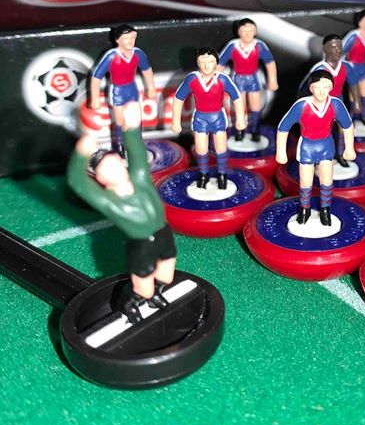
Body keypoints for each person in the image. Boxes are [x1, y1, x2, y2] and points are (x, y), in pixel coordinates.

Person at [67, 102, 174, 324]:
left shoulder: (140, 177)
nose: (117, 168)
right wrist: (81, 153)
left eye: (116, 162)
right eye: (109, 168)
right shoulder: (109, 201)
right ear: (101, 179)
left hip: (163, 231)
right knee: (143, 287)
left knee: (166, 274)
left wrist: (131, 125)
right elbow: (77, 183)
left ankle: (155, 294)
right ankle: (128, 303)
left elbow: (136, 151)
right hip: (142, 244)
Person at [276, 70, 356, 227]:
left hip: (326, 146)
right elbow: (283, 127)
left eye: (326, 87)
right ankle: (304, 209)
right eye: (317, 87)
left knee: (326, 180)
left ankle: (325, 209)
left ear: (331, 87)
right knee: (306, 182)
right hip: (307, 147)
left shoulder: (336, 104)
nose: (321, 91)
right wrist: (281, 151)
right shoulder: (301, 105)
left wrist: (349, 148)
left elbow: (347, 126)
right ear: (310, 87)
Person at [171, 47, 246, 190]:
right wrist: (175, 121)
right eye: (203, 62)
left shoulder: (222, 79)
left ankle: (222, 174)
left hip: (218, 118)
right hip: (200, 118)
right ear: (197, 63)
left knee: (221, 147)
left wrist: (241, 119)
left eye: (210, 62)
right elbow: (179, 98)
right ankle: (203, 174)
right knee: (201, 149)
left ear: (216, 63)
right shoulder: (192, 79)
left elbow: (236, 97)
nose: (206, 66)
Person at [89, 24, 157, 154]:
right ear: (118, 40)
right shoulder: (112, 56)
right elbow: (97, 76)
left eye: (132, 38)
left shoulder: (138, 53)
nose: (130, 41)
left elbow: (147, 70)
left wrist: (151, 87)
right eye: (126, 38)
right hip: (117, 91)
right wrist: (95, 99)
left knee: (136, 118)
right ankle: (120, 147)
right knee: (120, 120)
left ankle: (137, 143)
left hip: (132, 89)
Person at [300, 34, 362, 167]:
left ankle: (340, 155)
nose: (338, 50)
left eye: (340, 47)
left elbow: (354, 84)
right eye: (334, 47)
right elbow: (304, 89)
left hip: (338, 102)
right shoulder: (319, 69)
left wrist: (357, 101)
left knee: (344, 128)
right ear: (325, 49)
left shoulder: (346, 67)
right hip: (322, 104)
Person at [217, 18, 278, 141]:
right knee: (240, 105)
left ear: (255, 31)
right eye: (244, 31)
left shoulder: (259, 45)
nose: (248, 34)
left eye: (251, 31)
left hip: (253, 78)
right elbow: (220, 63)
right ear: (239, 32)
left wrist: (272, 80)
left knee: (256, 105)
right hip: (238, 79)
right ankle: (240, 129)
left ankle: (256, 129)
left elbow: (270, 62)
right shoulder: (233, 46)